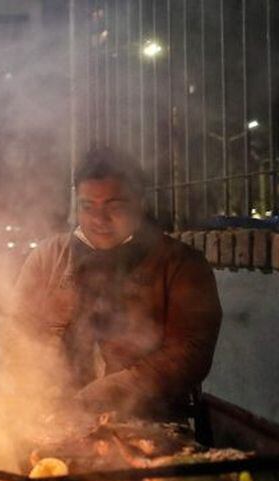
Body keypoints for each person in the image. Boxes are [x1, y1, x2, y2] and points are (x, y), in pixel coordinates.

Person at [13, 147, 222, 421]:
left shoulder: (181, 264)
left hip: (150, 423)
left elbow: (189, 353)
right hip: (54, 419)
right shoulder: (47, 258)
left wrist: (109, 392)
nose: (100, 219)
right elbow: (17, 331)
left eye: (114, 206)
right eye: (88, 207)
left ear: (139, 202)